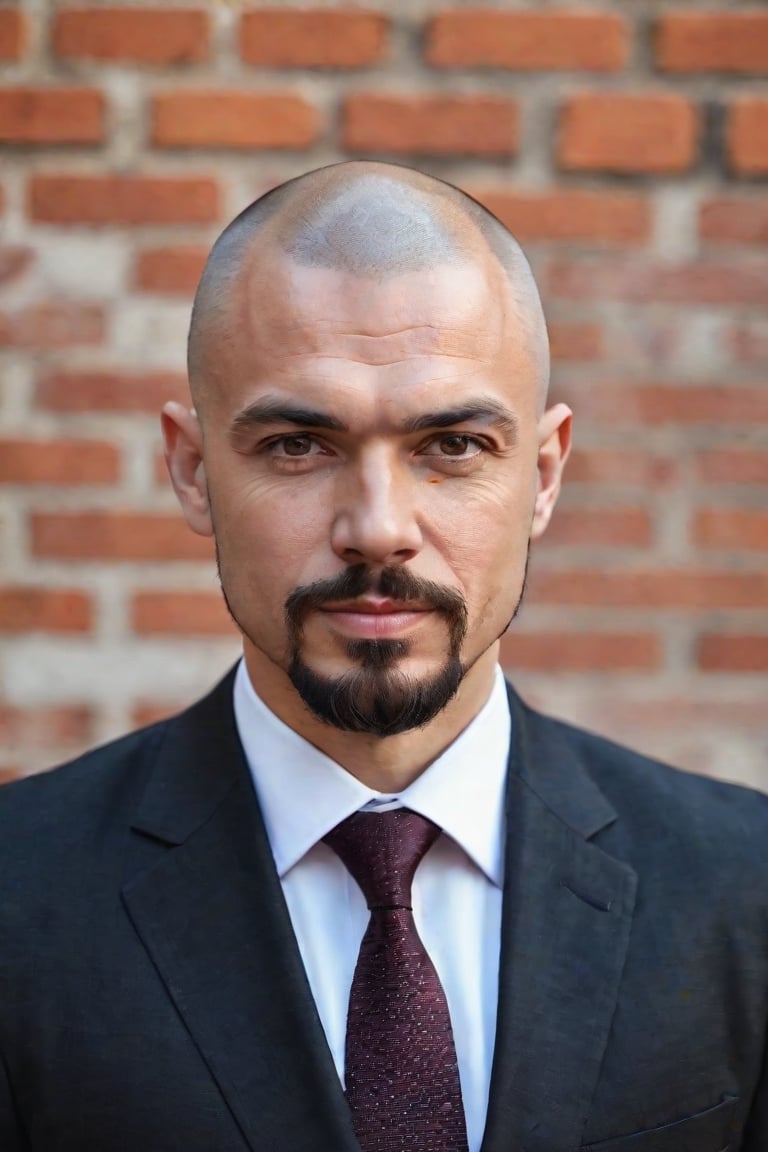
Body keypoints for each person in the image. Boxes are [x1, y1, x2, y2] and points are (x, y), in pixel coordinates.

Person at [0, 161, 766, 1152]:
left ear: (541, 475)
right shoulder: (20, 900)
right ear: (193, 472)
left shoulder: (743, 890)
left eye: (449, 445)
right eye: (296, 446)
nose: (377, 529)